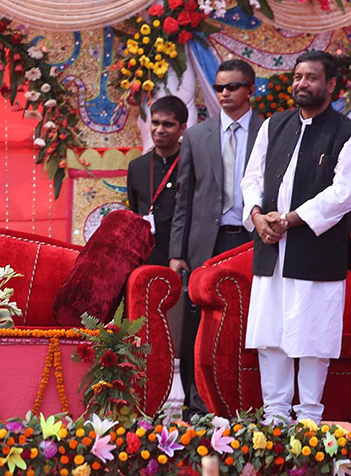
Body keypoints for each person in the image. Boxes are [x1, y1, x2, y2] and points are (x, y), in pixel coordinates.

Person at [241, 51, 351, 423]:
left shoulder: (345, 131)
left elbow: (343, 193)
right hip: (270, 247)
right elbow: (251, 178)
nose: (302, 83)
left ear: (331, 85)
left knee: (311, 337)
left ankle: (308, 420)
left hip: (316, 249)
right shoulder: (274, 125)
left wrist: (288, 220)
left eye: (311, 78)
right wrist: (257, 217)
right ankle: (274, 416)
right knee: (271, 335)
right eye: (298, 76)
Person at [169, 59, 264, 418]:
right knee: (196, 322)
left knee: (251, 320)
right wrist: (178, 251)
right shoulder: (196, 135)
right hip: (206, 242)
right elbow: (184, 198)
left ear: (250, 90)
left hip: (253, 240)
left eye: (231, 87)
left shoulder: (268, 131)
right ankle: (195, 404)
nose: (223, 93)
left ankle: (245, 401)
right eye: (219, 87)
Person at [127, 96, 188, 266]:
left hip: (181, 258)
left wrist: (180, 253)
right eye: (155, 123)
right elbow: (134, 212)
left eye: (168, 124)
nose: (159, 129)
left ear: (182, 128)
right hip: (145, 258)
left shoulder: (192, 164)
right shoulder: (136, 166)